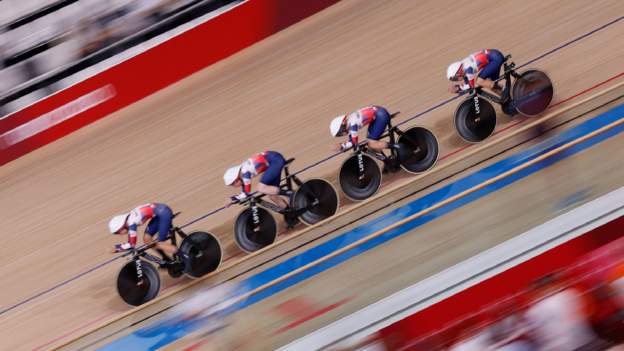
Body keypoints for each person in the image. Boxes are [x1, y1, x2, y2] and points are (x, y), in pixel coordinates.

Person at [108, 202, 179, 259]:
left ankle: (185, 258)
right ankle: (166, 259)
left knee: (161, 243)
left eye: (118, 232)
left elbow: (132, 244)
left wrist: (117, 248)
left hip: (164, 213)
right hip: (159, 214)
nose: (120, 234)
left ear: (122, 226)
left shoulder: (131, 222)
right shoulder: (129, 220)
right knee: (147, 239)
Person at [223, 151, 290, 210]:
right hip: (274, 161)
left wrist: (231, 199)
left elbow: (246, 193)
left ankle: (290, 193)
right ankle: (290, 212)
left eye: (232, 185)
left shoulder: (245, 173)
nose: (234, 187)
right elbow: (245, 193)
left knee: (260, 188)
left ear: (235, 180)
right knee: (272, 196)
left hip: (275, 161)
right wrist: (234, 199)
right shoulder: (242, 174)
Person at [329, 105, 399, 152]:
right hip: (378, 114)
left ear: (342, 125)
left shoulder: (352, 124)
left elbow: (354, 142)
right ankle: (387, 162)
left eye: (340, 132)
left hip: (380, 116)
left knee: (372, 143)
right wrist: (342, 146)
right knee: (371, 145)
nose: (343, 134)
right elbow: (352, 141)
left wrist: (341, 147)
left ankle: (399, 147)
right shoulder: (350, 121)